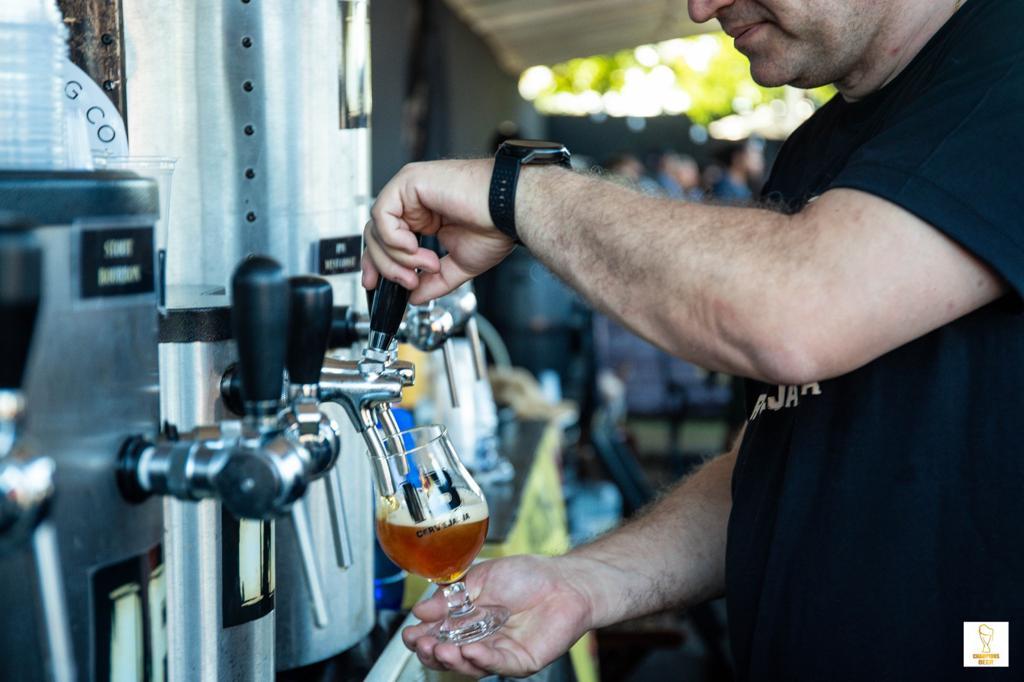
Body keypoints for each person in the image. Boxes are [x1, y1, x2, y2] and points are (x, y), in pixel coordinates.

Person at [362, 0, 1024, 679]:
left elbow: (798, 308)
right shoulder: (819, 147)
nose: (700, 7)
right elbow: (778, 459)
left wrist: (514, 192)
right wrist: (585, 583)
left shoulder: (1009, 63)